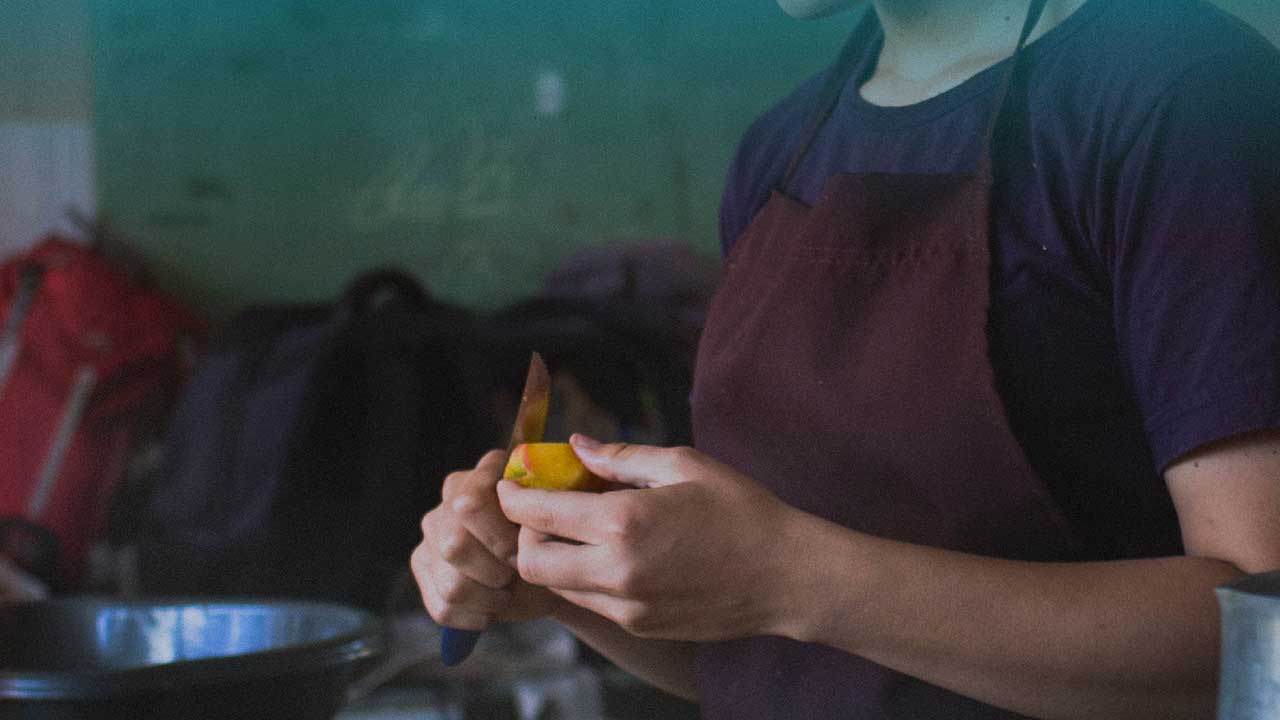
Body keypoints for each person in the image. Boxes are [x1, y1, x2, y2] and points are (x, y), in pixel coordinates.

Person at [411, 0, 1280, 717]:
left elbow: (1265, 630)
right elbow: (769, 660)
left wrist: (789, 575)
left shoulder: (1183, 95)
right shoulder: (783, 148)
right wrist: (567, 581)